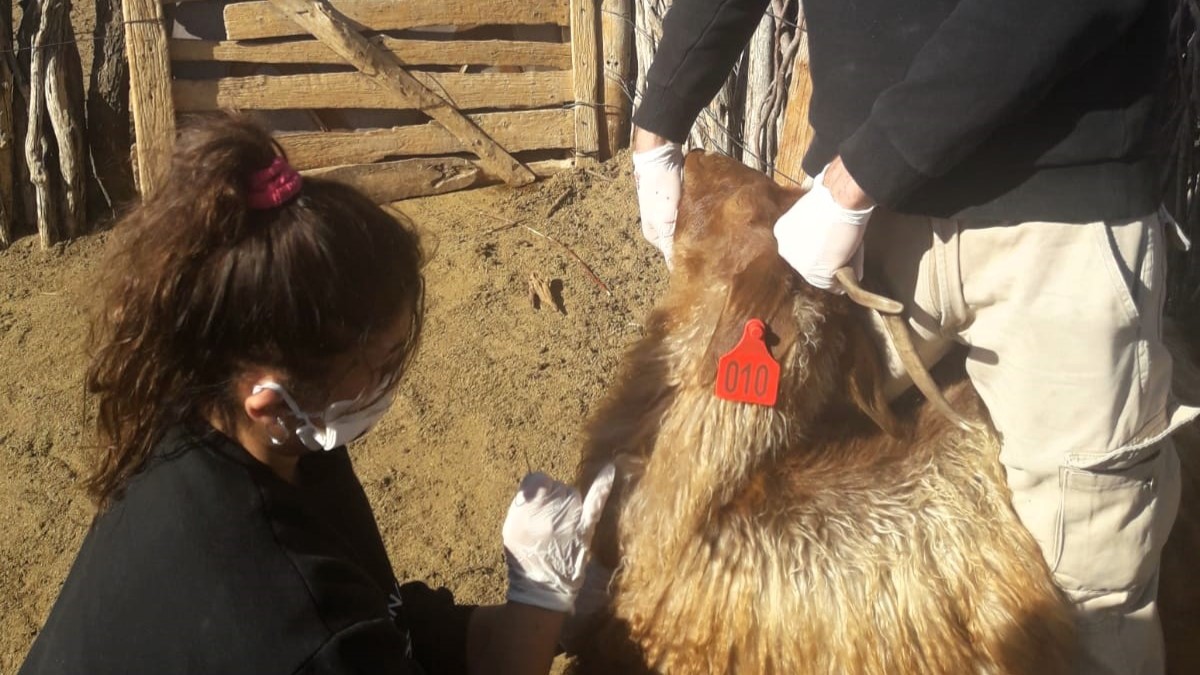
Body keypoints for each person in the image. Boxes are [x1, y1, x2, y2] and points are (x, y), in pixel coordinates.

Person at [630, 1, 1199, 673]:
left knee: (1091, 581)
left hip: (1055, 221)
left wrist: (865, 171)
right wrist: (659, 118)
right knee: (786, 521)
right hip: (860, 227)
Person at [18, 114, 614, 675]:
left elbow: (387, 627)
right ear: (272, 399)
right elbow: (343, 645)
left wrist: (541, 614)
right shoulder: (297, 633)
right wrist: (540, 590)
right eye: (379, 362)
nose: (393, 381)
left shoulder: (215, 418)